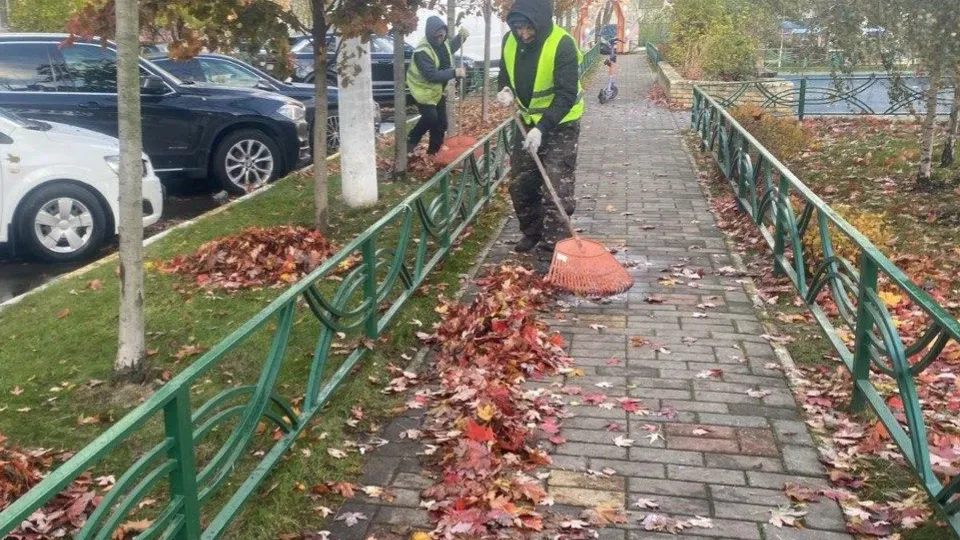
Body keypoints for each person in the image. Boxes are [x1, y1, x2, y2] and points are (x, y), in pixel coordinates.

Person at [496, 0, 584, 268]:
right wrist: (505, 89)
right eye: (518, 28)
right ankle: (532, 233)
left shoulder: (563, 44)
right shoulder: (509, 41)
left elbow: (566, 93)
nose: (523, 34)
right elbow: (504, 73)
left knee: (556, 190)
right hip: (526, 121)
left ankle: (551, 250)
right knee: (521, 185)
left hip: (561, 124)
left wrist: (542, 128)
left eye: (528, 29)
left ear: (541, 23)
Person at [406, 17, 470, 156]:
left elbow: (450, 48)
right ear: (430, 35)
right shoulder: (422, 51)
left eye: (442, 35)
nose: (440, 39)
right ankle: (409, 143)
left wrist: (461, 37)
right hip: (422, 89)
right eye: (437, 36)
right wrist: (455, 72)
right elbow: (432, 75)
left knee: (441, 123)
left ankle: (433, 152)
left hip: (436, 90)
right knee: (430, 118)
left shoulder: (442, 43)